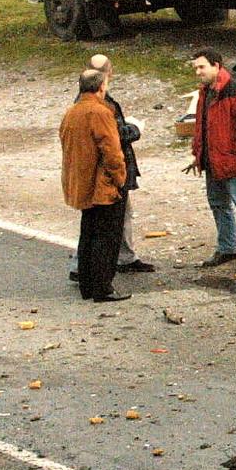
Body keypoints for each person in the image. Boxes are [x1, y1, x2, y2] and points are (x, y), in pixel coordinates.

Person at [67, 55, 154, 281]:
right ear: (108, 75)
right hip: (104, 174)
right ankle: (93, 273)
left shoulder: (79, 106)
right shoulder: (100, 107)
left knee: (112, 216)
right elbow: (112, 141)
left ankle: (122, 258)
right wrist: (135, 129)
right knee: (99, 223)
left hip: (92, 171)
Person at [184, 48, 236, 274]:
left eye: (201, 67)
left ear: (216, 66)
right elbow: (201, 125)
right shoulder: (204, 92)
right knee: (218, 204)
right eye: (196, 68)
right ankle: (227, 248)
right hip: (213, 160)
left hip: (233, 160)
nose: (198, 72)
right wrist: (197, 154)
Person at [60, 69, 128, 302]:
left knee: (88, 233)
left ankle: (87, 285)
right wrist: (120, 180)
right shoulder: (100, 111)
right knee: (106, 237)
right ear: (101, 87)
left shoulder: (72, 112)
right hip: (102, 186)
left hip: (81, 183)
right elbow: (112, 151)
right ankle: (102, 287)